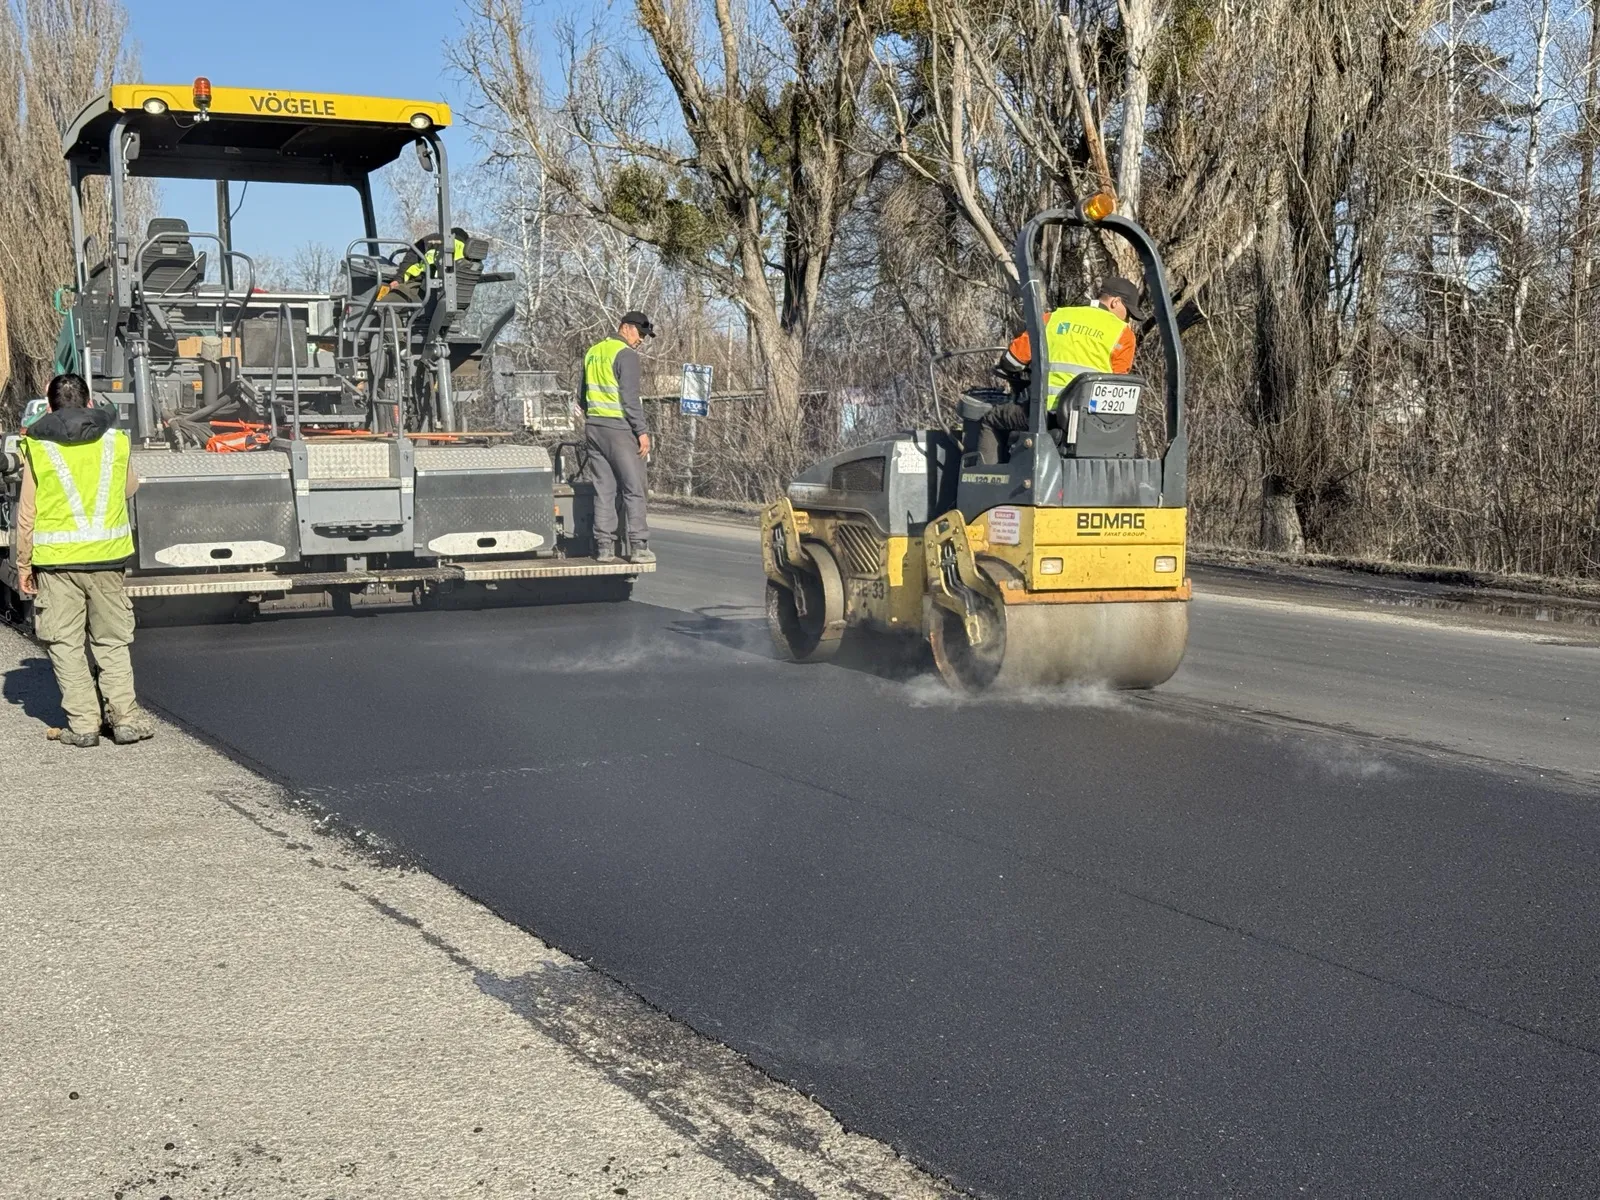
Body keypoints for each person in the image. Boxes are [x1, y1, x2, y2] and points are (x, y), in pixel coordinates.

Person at [15, 373, 153, 749]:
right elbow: (129, 488)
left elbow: (27, 513)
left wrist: (23, 565)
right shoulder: (114, 441)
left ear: (50, 405)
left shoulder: (38, 446)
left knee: (65, 643)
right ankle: (124, 720)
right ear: (89, 402)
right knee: (111, 641)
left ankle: (85, 725)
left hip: (57, 565)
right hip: (107, 560)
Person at [977, 275, 1144, 464]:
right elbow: (1117, 385)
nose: (1127, 319)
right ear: (1115, 302)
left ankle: (985, 481)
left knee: (992, 419)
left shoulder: (1054, 318)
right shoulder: (1123, 334)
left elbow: (1011, 361)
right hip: (1092, 425)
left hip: (1044, 416)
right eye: (1128, 312)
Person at [581, 311, 655, 564]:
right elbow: (630, 399)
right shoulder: (626, 355)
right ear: (626, 328)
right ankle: (638, 546)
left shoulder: (593, 352)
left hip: (594, 428)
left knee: (604, 490)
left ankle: (604, 547)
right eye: (640, 333)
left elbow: (583, 396)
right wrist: (642, 432)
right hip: (620, 430)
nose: (642, 340)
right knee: (634, 489)